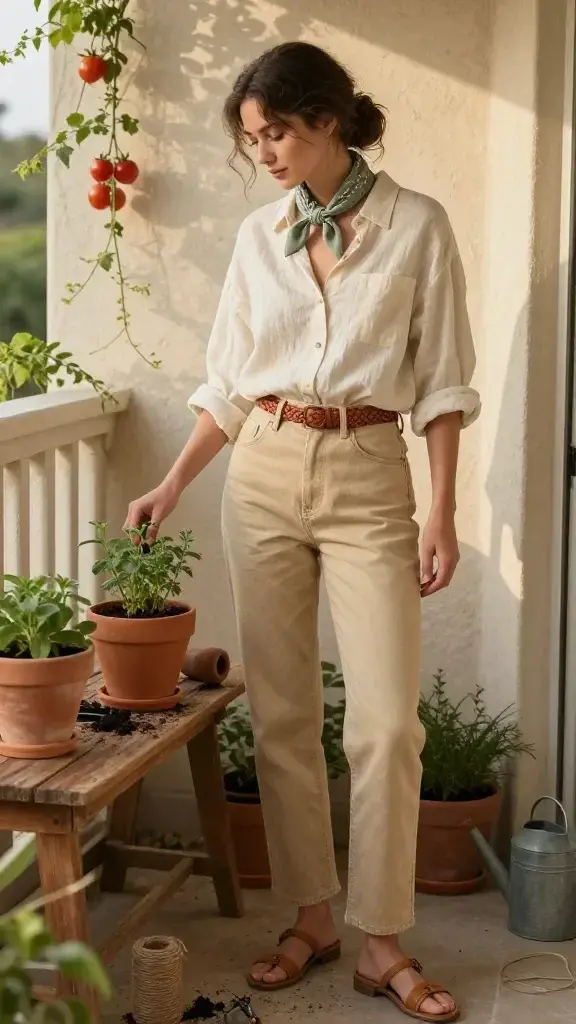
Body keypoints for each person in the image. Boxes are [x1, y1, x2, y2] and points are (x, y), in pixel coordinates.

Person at [126, 41, 479, 1023]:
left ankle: (383, 941)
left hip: (371, 473)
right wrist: (169, 481)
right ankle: (313, 917)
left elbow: (444, 383)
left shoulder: (418, 228)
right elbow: (232, 385)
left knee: (386, 724)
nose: (266, 152)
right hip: (267, 471)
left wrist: (442, 509)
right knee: (282, 715)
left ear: (327, 118)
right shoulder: (259, 236)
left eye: (276, 131)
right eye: (252, 139)